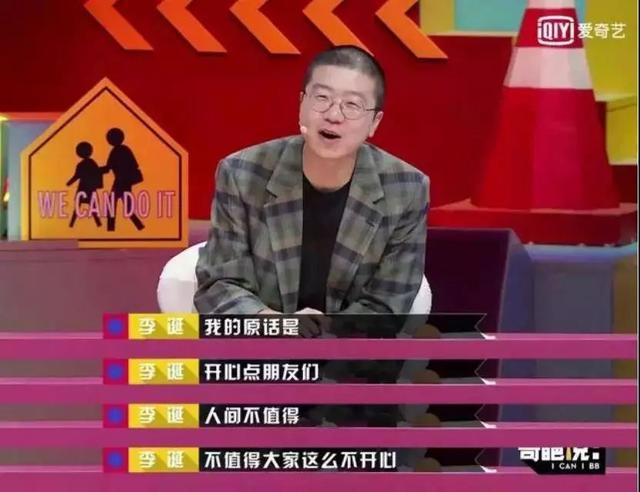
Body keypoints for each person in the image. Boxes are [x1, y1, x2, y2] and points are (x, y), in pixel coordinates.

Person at [195, 45, 429, 328]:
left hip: (349, 348)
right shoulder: (242, 174)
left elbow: (389, 303)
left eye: (352, 105)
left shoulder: (406, 189)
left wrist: (324, 335)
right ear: (301, 105)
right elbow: (218, 284)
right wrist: (278, 326)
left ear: (374, 122)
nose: (334, 115)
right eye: (322, 98)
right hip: (263, 342)